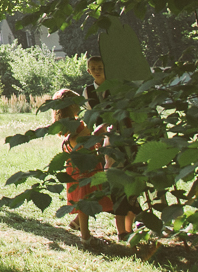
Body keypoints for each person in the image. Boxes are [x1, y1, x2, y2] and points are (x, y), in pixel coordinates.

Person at [84, 54, 138, 240]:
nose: (98, 71)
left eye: (101, 67)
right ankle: (118, 226)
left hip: (122, 137)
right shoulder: (88, 90)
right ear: (89, 71)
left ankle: (129, 226)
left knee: (128, 178)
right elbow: (91, 114)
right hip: (103, 140)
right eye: (94, 68)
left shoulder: (116, 88)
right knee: (109, 179)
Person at [54, 88, 113, 246]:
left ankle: (77, 222)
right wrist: (100, 131)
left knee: (85, 196)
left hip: (77, 165)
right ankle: (85, 237)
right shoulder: (77, 125)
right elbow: (84, 141)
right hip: (84, 167)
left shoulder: (67, 125)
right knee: (85, 200)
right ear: (73, 106)